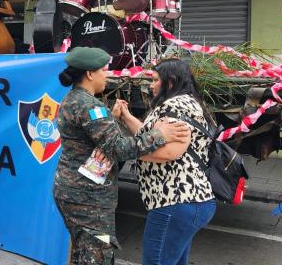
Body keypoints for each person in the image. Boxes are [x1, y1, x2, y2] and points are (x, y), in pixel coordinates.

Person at [53, 47, 191, 264]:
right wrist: (159, 134)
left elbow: (93, 141)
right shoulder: (89, 106)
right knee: (97, 256)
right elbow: (118, 149)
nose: (106, 75)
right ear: (90, 74)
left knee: (82, 251)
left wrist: (114, 120)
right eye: (103, 70)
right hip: (88, 197)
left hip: (73, 189)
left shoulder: (72, 99)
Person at [131, 59, 216, 265]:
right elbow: (150, 137)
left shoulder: (175, 106)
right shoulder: (188, 102)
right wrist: (126, 116)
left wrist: (125, 150)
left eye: (155, 80)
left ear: (170, 82)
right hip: (189, 200)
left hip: (175, 200)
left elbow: (169, 152)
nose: (151, 85)